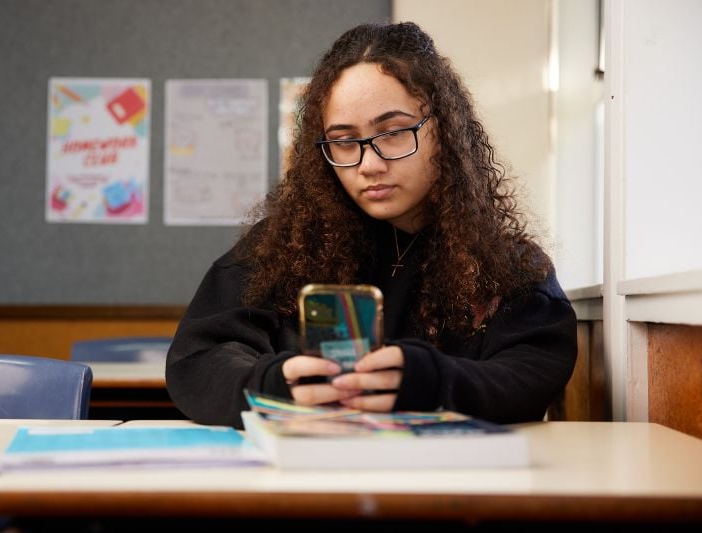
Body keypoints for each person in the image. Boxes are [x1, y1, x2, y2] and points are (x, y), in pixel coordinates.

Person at [166, 21, 577, 429]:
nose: (370, 164)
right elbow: (197, 359)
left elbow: (531, 372)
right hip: (304, 484)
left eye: (394, 132)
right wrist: (273, 387)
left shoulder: (506, 265)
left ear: (444, 131)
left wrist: (431, 380)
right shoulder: (281, 247)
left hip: (443, 487)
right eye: (344, 141)